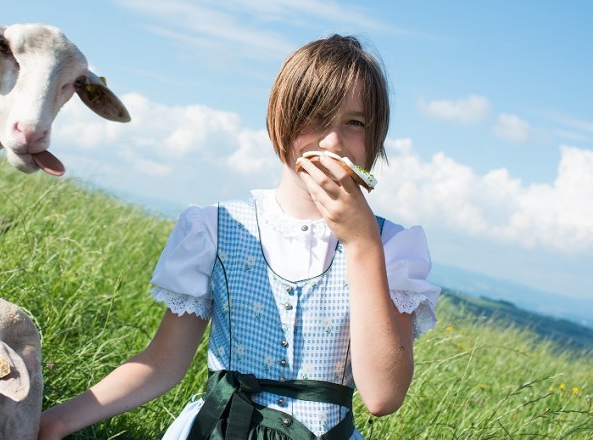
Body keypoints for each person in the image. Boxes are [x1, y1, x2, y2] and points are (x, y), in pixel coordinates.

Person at [38, 34, 440, 440]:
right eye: (316, 117)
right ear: (280, 118)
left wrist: (361, 243)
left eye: (355, 123)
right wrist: (59, 420)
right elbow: (162, 363)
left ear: (376, 136)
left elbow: (382, 397)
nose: (333, 142)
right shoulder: (215, 226)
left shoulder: (389, 247)